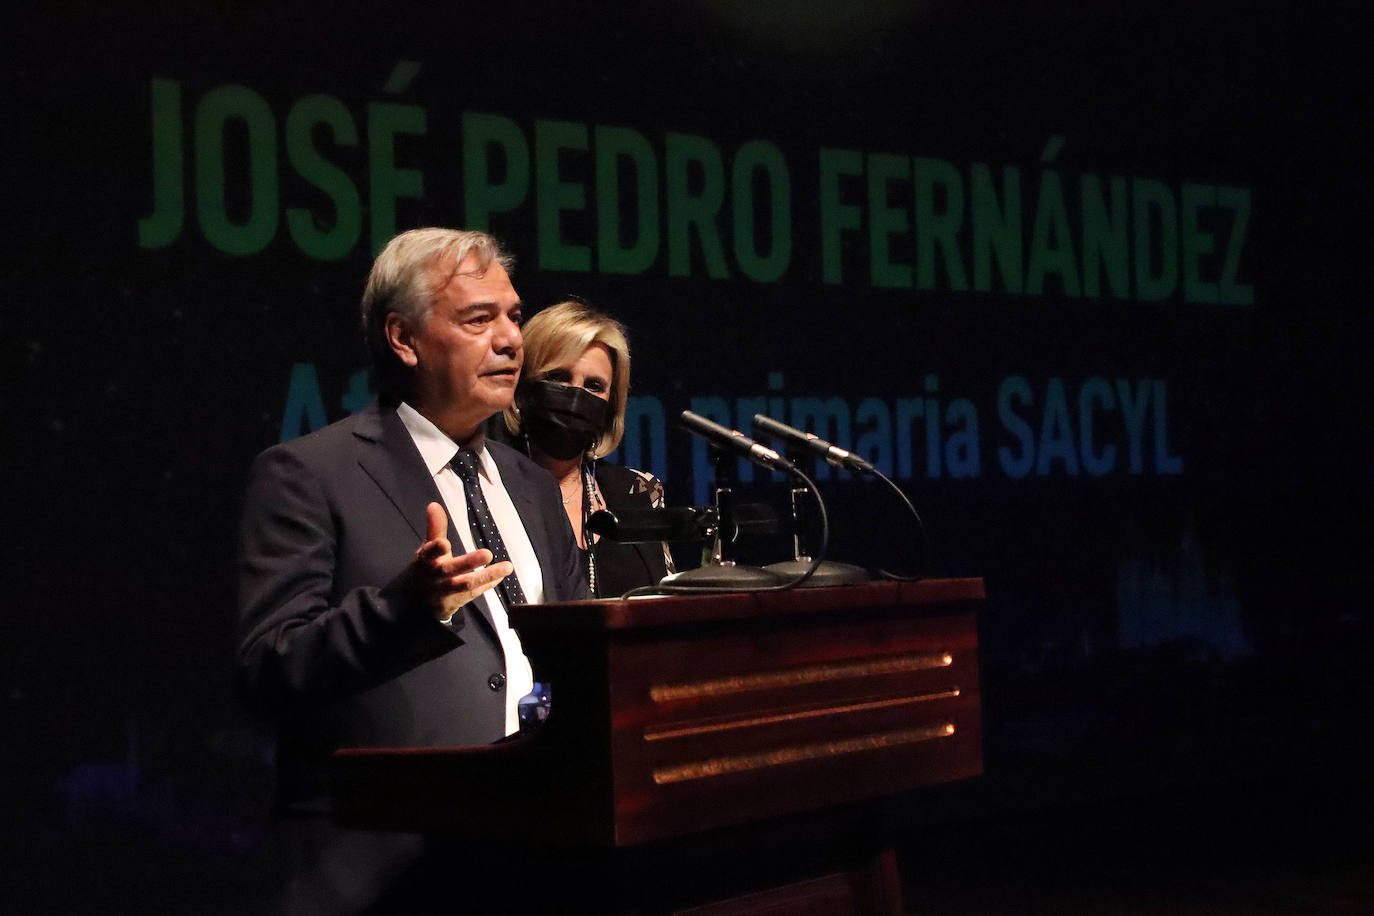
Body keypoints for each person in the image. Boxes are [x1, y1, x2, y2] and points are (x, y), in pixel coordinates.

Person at [236, 228, 586, 913]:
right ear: (404, 339)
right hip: (372, 875)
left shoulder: (532, 486)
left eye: (514, 315)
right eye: (479, 319)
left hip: (528, 863)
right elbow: (267, 667)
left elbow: (572, 657)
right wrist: (408, 608)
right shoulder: (310, 474)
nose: (512, 339)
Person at [503, 301, 674, 597]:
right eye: (558, 378)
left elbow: (668, 601)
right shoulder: (486, 488)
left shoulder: (640, 490)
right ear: (522, 387)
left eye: (594, 386)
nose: (575, 396)